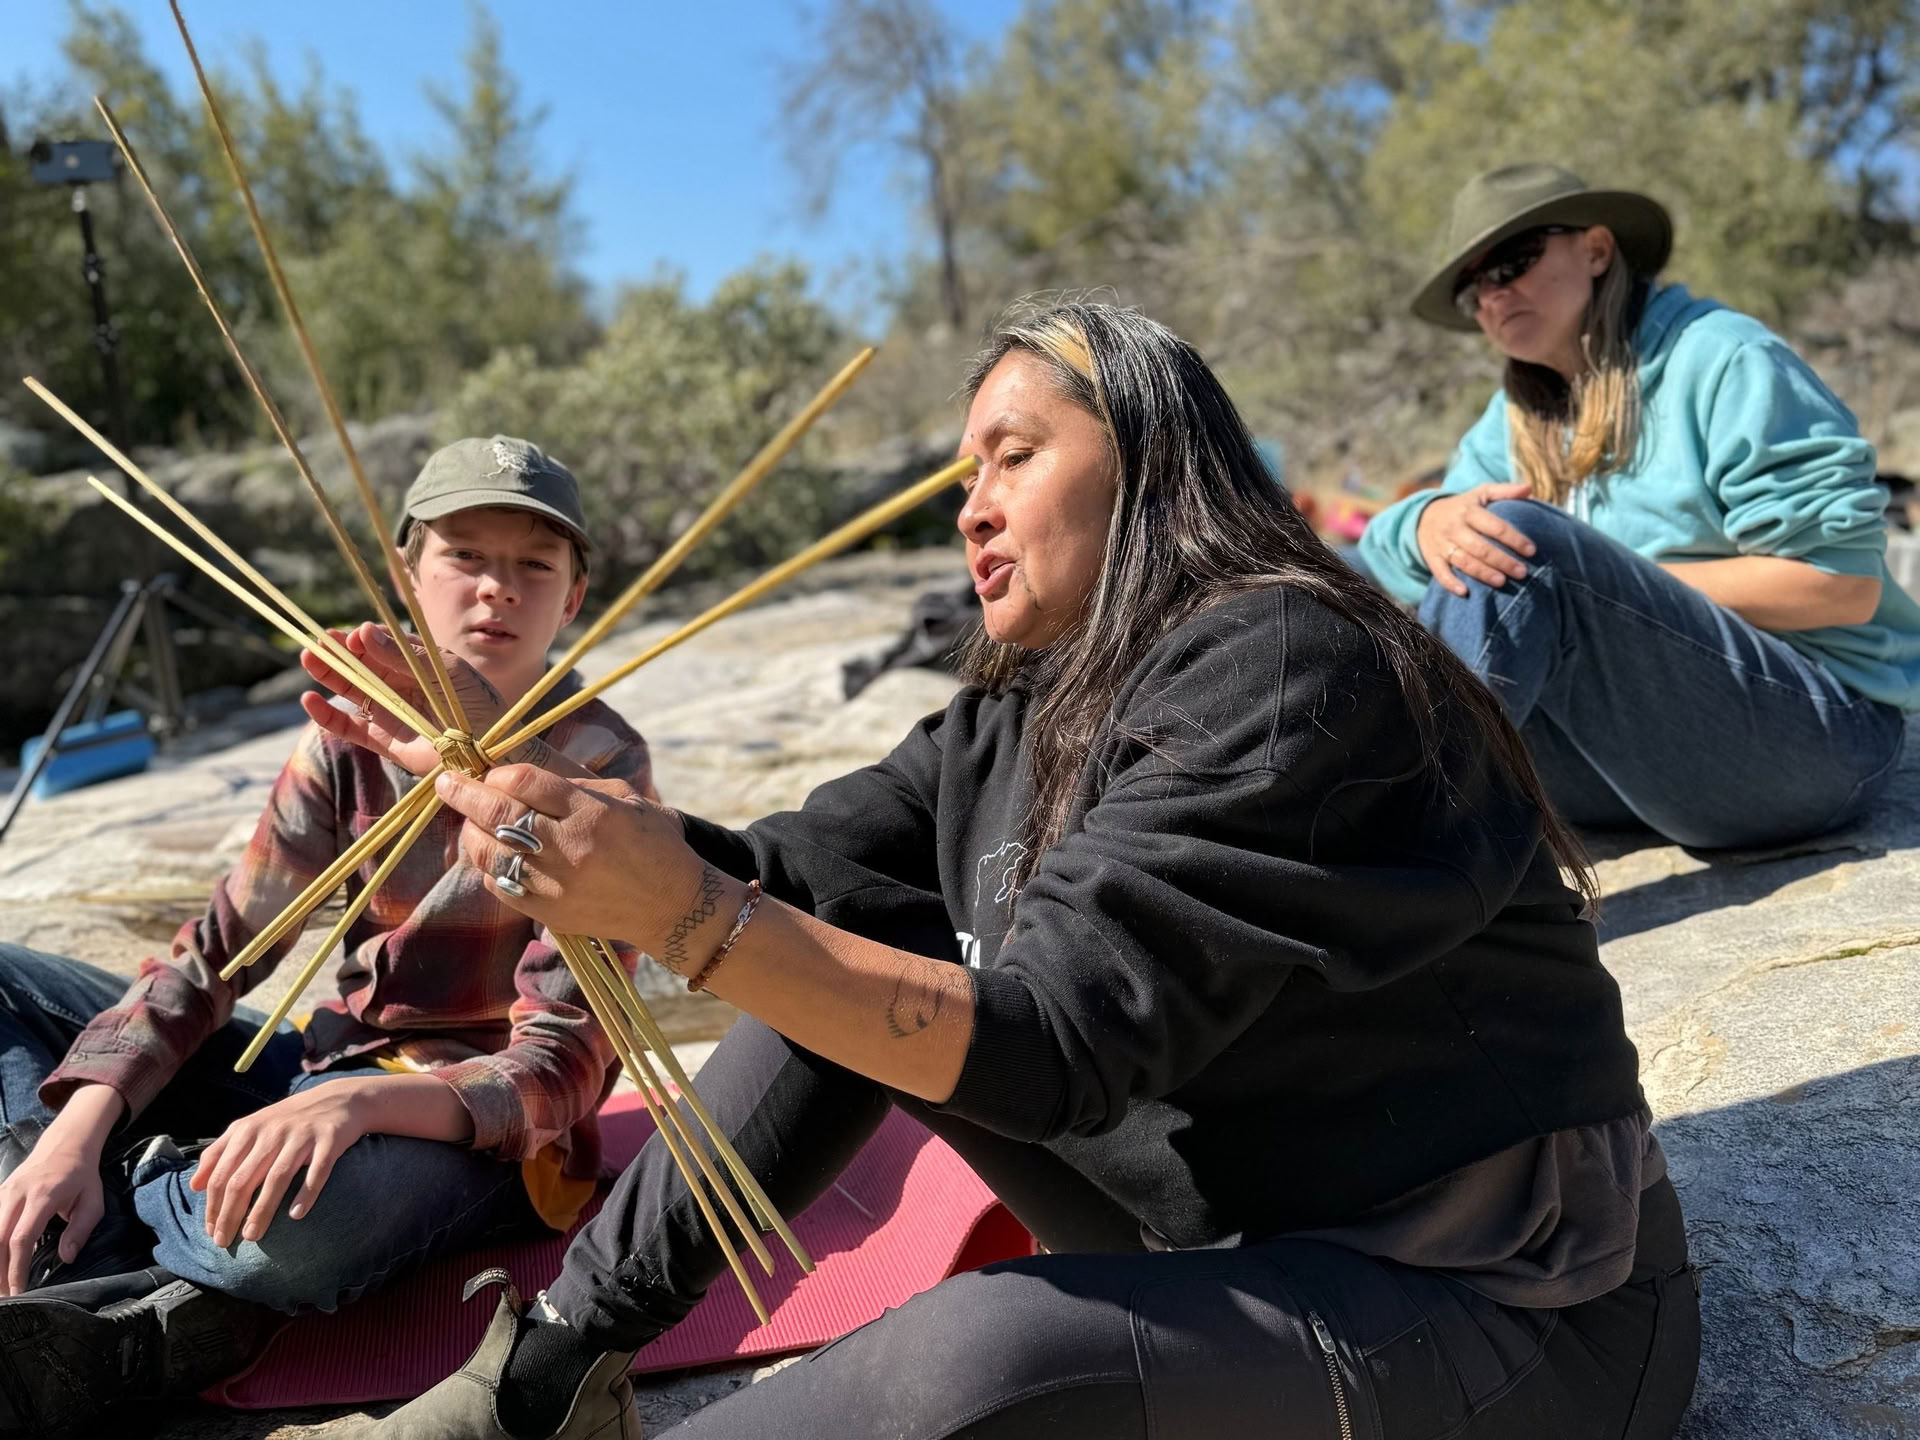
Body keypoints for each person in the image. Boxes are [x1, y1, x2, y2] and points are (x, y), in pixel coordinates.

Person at [341, 301, 1699, 1440]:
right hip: (1229, 1239)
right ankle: (545, 1378)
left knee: (973, 1360)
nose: (972, 509)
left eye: (1014, 455)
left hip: (1495, 1298)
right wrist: (553, 815)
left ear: (1156, 458)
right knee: (826, 964)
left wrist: (686, 914)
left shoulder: (1294, 664)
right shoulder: (1016, 704)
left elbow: (1053, 1048)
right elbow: (785, 876)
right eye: (961, 479)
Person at [0, 437, 655, 1440]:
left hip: (465, 1133)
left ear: (572, 599)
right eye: (465, 557)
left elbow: (561, 1069)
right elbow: (217, 955)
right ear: (407, 572)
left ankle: (114, 1231)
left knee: (296, 1238)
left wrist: (366, 1103)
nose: (497, 591)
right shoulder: (347, 736)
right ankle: (64, 1190)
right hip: (316, 1069)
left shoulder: (599, 764)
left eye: (534, 565)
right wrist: (75, 1127)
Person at [1358, 163, 1920, 849]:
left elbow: (1842, 587)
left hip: (1820, 741)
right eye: (1474, 289)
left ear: (1596, 250)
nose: (1493, 297)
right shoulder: (1514, 419)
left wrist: (1597, 594)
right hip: (1638, 771)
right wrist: (1422, 522)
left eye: (1512, 263)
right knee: (1329, 577)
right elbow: (1407, 570)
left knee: (1518, 545)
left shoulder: (1723, 359)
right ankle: (1316, 833)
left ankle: (1392, 862)